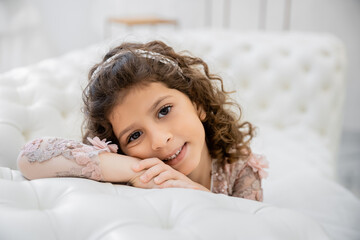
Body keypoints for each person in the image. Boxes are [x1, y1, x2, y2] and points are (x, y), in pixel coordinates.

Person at [17, 40, 268, 201]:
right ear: (119, 147)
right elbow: (30, 157)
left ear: (198, 103)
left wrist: (202, 198)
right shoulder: (136, 171)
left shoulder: (239, 169)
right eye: (134, 136)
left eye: (164, 110)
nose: (160, 141)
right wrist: (134, 171)